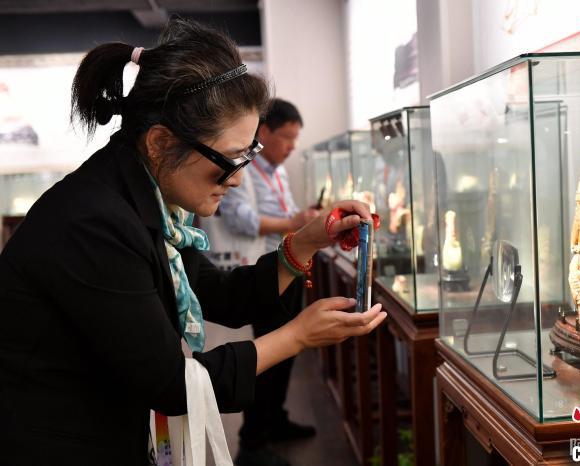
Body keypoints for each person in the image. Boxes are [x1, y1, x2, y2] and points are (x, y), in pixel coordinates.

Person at [0, 18, 386, 466]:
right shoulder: (95, 222)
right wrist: (296, 337)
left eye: (248, 156)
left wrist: (305, 241)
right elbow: (171, 384)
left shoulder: (153, 205)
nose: (237, 179)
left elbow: (219, 294)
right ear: (161, 143)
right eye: (230, 159)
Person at [207, 98, 320, 466]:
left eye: (295, 139)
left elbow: (286, 215)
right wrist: (296, 225)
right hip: (264, 269)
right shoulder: (245, 167)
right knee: (268, 358)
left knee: (285, 357)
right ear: (264, 131)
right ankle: (252, 443)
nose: (291, 147)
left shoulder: (277, 171)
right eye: (286, 137)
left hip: (288, 264)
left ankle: (274, 421)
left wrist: (301, 222)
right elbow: (240, 220)